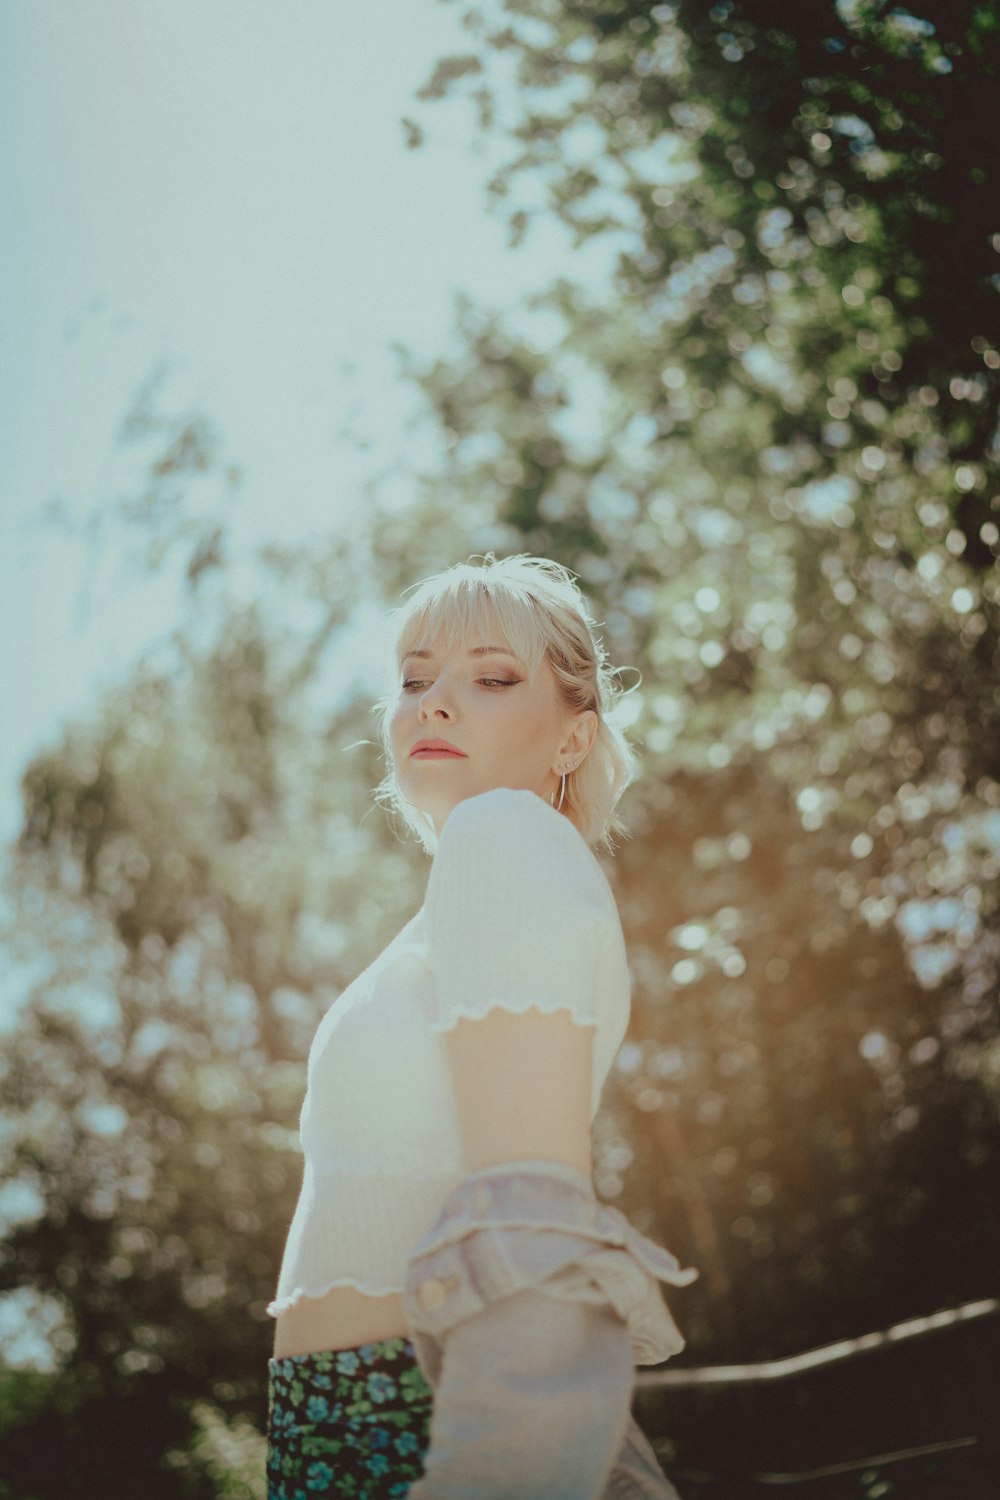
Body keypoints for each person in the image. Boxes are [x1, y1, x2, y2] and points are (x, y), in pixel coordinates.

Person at [265, 553, 697, 1498]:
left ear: (574, 740)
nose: (434, 703)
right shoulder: (475, 882)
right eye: (415, 679)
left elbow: (533, 1206)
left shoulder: (504, 837)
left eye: (492, 677)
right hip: (342, 1418)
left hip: (408, 1411)